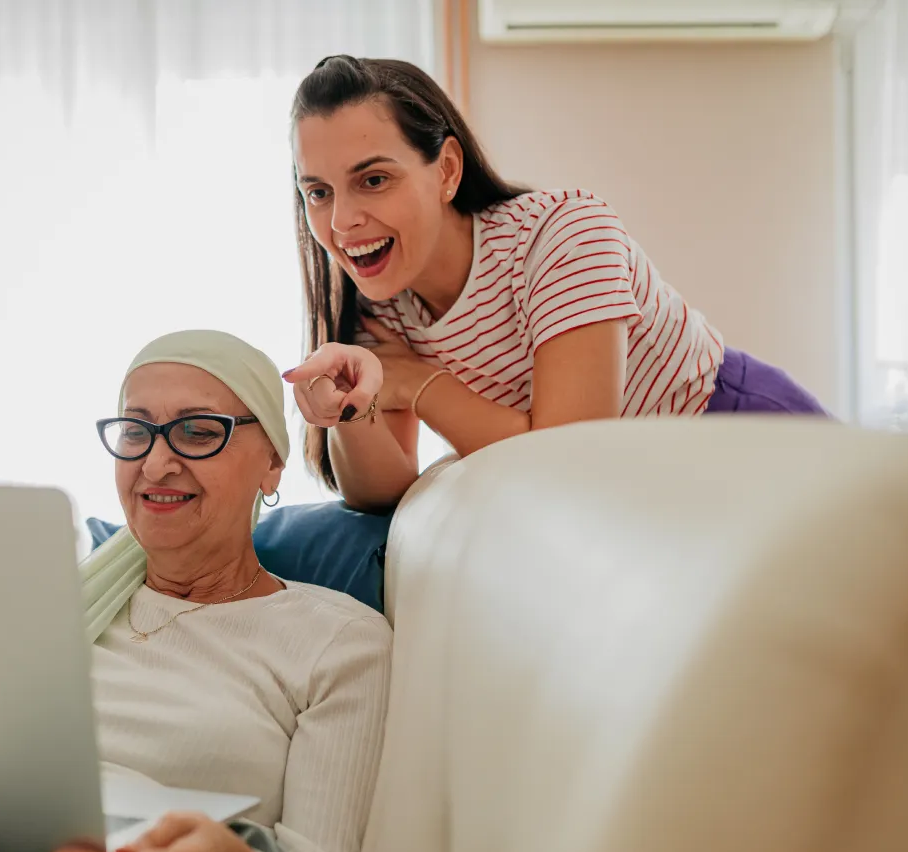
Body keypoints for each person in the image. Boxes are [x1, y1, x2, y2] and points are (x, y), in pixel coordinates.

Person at [282, 55, 830, 512]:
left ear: (447, 170)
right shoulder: (387, 304)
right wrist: (348, 405)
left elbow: (566, 459)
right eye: (319, 192)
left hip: (738, 438)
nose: (340, 222)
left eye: (373, 180)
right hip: (642, 497)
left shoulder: (562, 232)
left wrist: (420, 385)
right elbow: (380, 495)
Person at [28, 330, 393, 852]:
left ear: (272, 464)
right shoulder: (48, 609)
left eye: (198, 432)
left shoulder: (338, 644)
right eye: (136, 432)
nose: (157, 463)